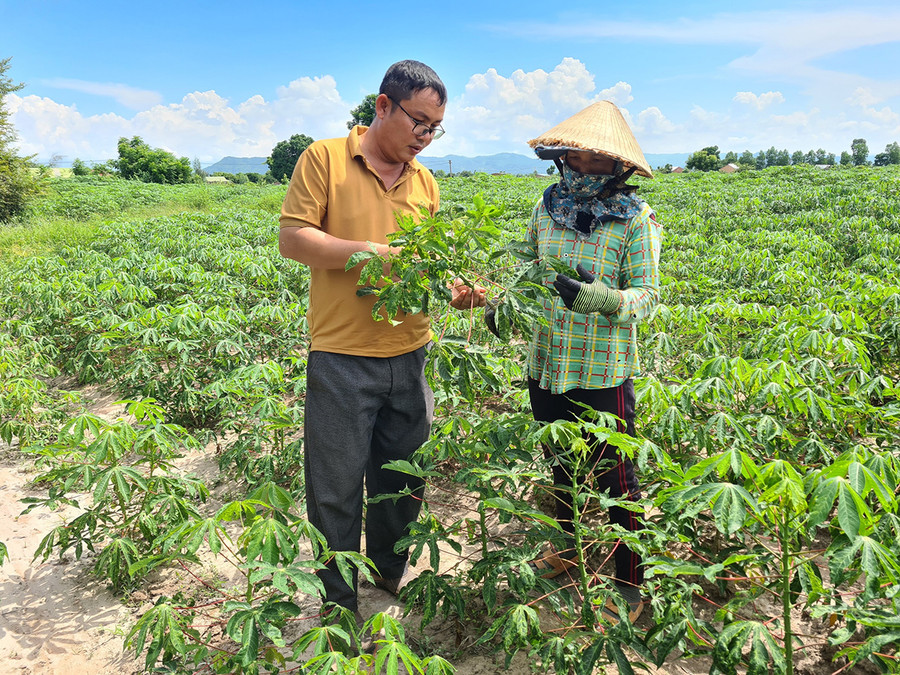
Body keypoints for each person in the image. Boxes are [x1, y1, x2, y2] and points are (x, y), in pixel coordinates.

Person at [278, 60, 485, 622]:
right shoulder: (323, 158)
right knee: (335, 488)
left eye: (435, 128)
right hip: (342, 356)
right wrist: (373, 254)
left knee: (402, 480)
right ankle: (340, 603)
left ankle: (388, 575)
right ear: (383, 106)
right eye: (419, 123)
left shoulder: (426, 181)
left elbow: (429, 264)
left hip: (410, 354)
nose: (425, 137)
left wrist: (455, 288)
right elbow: (295, 240)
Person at [520, 101, 661, 624]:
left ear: (620, 167)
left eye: (604, 160)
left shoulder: (636, 220)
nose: (591, 164)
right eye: (583, 154)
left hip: (602, 372)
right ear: (565, 154)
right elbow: (525, 268)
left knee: (617, 480)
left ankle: (630, 580)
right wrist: (508, 295)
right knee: (559, 468)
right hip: (547, 364)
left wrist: (596, 297)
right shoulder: (545, 208)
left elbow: (646, 299)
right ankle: (565, 551)